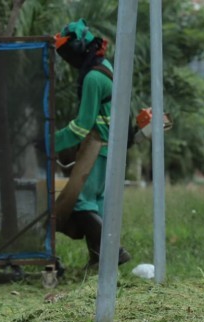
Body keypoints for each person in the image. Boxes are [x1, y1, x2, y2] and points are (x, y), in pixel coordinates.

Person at [53, 19, 131, 268]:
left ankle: (112, 252)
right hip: (110, 148)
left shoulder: (93, 78)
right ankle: (98, 261)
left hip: (96, 147)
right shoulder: (104, 66)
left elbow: (81, 126)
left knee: (80, 203)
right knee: (96, 204)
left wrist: (49, 142)